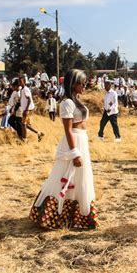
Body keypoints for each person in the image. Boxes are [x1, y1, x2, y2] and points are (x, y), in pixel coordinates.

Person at [30, 69, 99, 230]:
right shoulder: (67, 103)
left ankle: (78, 216)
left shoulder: (77, 101)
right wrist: (75, 153)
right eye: (81, 84)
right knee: (63, 177)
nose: (84, 87)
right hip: (73, 143)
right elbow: (68, 130)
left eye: (85, 83)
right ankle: (54, 215)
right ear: (73, 84)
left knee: (80, 179)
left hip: (82, 140)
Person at [19, 76, 44, 142]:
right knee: (26, 125)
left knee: (23, 124)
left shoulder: (25, 89)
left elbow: (29, 100)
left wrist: (26, 110)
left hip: (27, 109)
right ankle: (39, 133)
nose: (20, 83)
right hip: (25, 109)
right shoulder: (22, 90)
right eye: (19, 82)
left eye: (21, 81)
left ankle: (24, 139)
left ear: (24, 82)